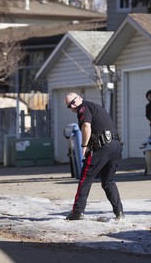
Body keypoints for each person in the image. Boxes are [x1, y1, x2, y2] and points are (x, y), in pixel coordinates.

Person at [65, 92, 124, 220]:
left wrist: (84, 146)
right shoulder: (95, 107)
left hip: (102, 147)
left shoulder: (83, 107)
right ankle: (119, 212)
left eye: (73, 101)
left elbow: (86, 126)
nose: (72, 105)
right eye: (69, 105)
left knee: (85, 178)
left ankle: (77, 212)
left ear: (80, 98)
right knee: (108, 181)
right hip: (115, 146)